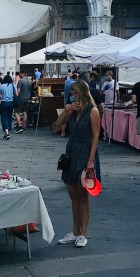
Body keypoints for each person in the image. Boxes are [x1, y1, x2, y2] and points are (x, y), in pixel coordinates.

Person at [57, 79, 101, 249]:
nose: (73, 97)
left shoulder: (92, 111)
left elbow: (96, 136)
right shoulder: (73, 111)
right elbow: (57, 125)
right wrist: (66, 110)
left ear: (82, 93)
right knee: (72, 193)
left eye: (75, 93)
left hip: (84, 154)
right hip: (71, 154)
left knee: (82, 195)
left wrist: (90, 160)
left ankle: (83, 233)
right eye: (72, 94)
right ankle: (75, 231)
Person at [0, 72, 16, 140]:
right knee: (9, 116)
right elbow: (15, 94)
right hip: (11, 102)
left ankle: (6, 131)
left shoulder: (1, 86)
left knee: (3, 116)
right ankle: (8, 129)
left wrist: (2, 96)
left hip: (3, 102)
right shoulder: (13, 85)